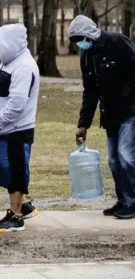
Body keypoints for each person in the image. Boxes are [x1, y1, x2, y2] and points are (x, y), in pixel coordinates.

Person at [70, 15, 135, 219]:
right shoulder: (86, 56)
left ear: (89, 34)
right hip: (110, 114)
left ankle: (132, 202)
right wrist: (83, 125)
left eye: (80, 38)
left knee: (126, 154)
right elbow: (90, 92)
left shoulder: (117, 43)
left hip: (129, 110)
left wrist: (127, 95)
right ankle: (123, 200)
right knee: (114, 160)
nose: (79, 44)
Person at [0, 23, 40, 232]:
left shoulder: (24, 67)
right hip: (2, 129)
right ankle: (22, 205)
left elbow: (17, 104)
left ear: (10, 44)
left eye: (0, 44)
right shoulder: (8, 61)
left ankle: (15, 216)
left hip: (15, 129)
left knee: (14, 169)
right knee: (1, 167)